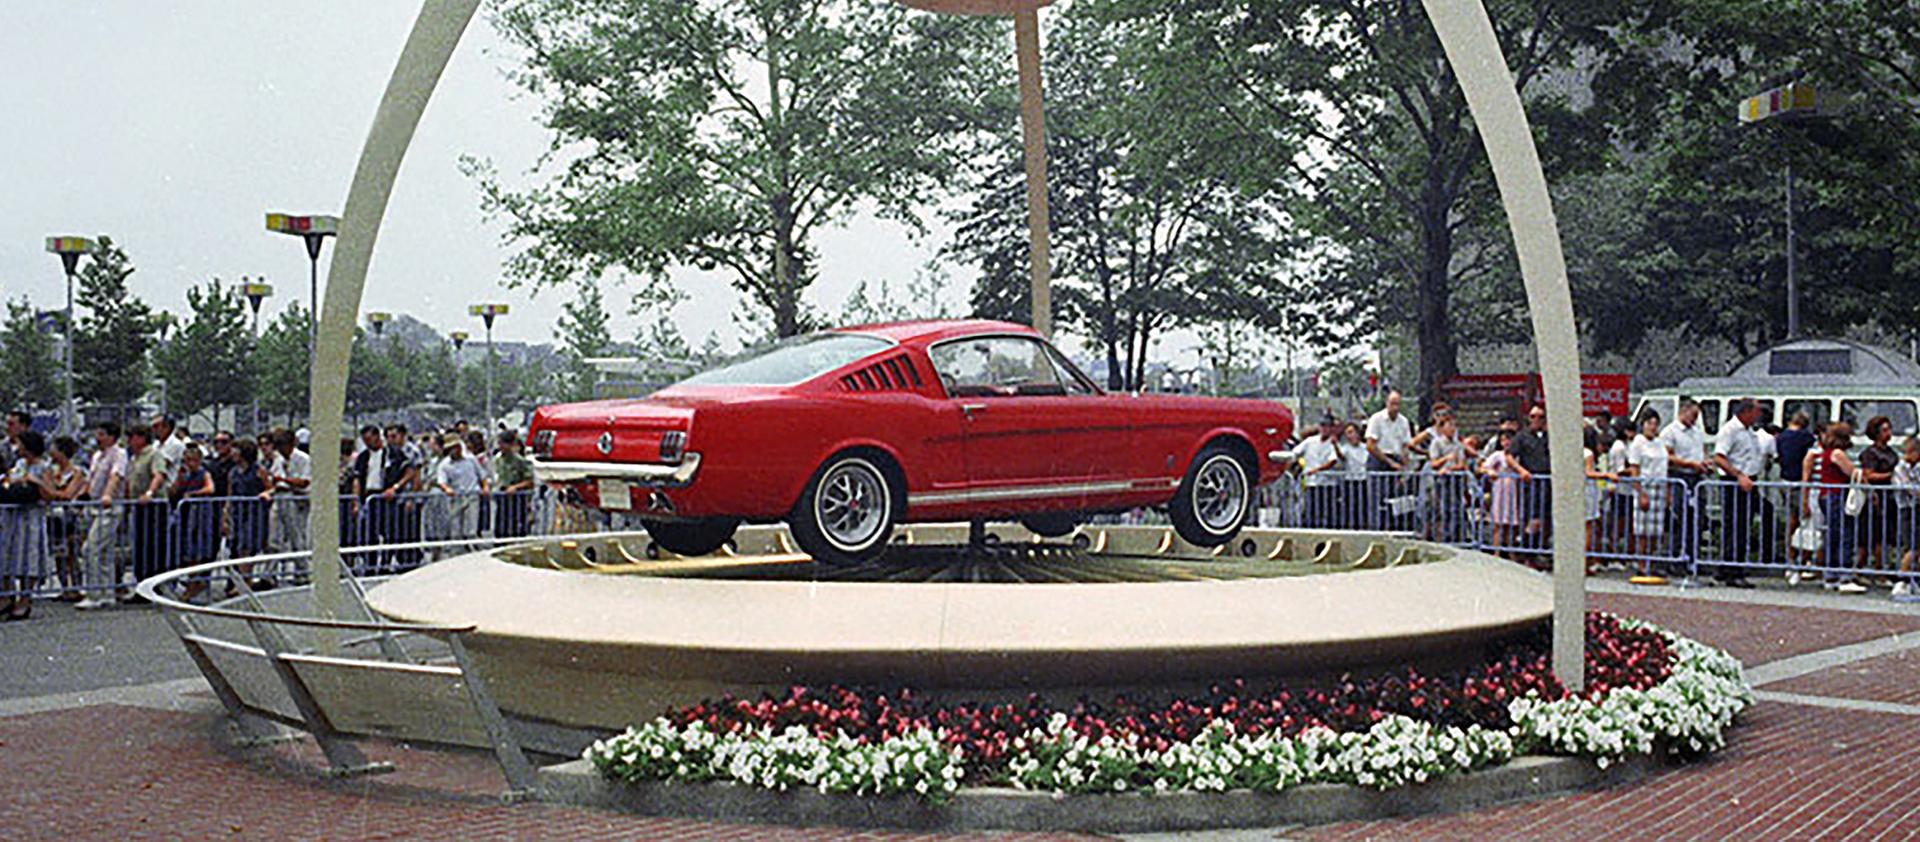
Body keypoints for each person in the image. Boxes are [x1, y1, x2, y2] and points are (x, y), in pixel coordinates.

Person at [1710, 398, 1765, 587]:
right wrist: (1738, 475)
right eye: (1756, 411)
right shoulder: (1730, 430)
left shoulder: (1749, 431)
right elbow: (1719, 457)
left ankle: (1728, 566)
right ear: (1746, 412)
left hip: (1749, 480)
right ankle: (1732, 569)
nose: (1758, 415)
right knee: (1735, 525)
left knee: (1743, 525)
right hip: (1734, 482)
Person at [0, 431, 53, 620]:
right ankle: (6, 596)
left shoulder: (44, 467)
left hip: (31, 518)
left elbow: (50, 494)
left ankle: (25, 599)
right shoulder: (19, 465)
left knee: (28, 557)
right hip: (12, 517)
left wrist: (35, 482)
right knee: (7, 556)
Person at [76, 422, 127, 611]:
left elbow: (116, 476)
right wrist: (82, 495)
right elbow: (91, 479)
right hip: (94, 506)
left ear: (112, 437)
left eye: (102, 434)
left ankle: (94, 593)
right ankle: (107, 593)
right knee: (104, 552)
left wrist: (108, 495)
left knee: (90, 548)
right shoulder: (96, 456)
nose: (98, 438)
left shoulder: (119, 454)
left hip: (109, 507)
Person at [1814, 421, 1865, 593]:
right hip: (1836, 495)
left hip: (1827, 495)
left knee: (1833, 534)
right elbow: (1852, 472)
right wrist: (1864, 477)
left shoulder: (1826, 453)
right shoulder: (1837, 453)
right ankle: (1844, 575)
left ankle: (1830, 574)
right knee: (1844, 534)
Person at [168, 444, 218, 600]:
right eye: (186, 460)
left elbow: (210, 489)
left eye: (192, 460)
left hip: (200, 516)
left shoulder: (204, 473)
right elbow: (174, 491)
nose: (189, 463)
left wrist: (194, 494)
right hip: (186, 515)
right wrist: (179, 479)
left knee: (196, 551)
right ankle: (190, 581)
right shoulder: (186, 475)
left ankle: (194, 583)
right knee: (185, 550)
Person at [124, 424, 167, 600]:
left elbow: (159, 475)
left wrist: (149, 493)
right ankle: (142, 585)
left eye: (132, 437)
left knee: (153, 546)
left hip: (154, 506)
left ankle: (154, 585)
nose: (129, 441)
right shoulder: (134, 458)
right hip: (138, 506)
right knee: (140, 546)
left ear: (141, 438)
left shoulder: (153, 454)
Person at [42, 436, 87, 601]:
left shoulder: (77, 472)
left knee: (72, 553)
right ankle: (64, 587)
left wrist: (51, 492)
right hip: (54, 517)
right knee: (59, 554)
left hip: (71, 517)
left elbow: (68, 494)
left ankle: (76, 587)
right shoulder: (50, 471)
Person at [1626, 409, 1672, 574]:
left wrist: (1667, 492)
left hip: (1660, 487)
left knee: (1656, 531)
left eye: (1655, 424)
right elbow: (1634, 469)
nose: (1652, 427)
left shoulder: (1659, 443)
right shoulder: (1638, 443)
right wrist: (1640, 492)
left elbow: (1664, 466)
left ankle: (1651, 561)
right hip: (1646, 487)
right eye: (1649, 424)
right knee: (1643, 530)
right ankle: (1641, 563)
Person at [1856, 415, 1900, 581]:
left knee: (1883, 536)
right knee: (1870, 536)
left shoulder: (1890, 452)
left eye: (1889, 429)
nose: (1888, 433)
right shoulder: (1870, 453)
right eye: (1884, 430)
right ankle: (1860, 570)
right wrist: (1890, 475)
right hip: (1874, 498)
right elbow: (1869, 475)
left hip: (1889, 498)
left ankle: (1880, 569)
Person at [1364, 391, 1414, 530]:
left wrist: (1404, 466)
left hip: (1395, 459)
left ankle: (1392, 527)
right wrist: (1389, 462)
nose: (1395, 408)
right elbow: (1370, 445)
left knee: (1394, 499)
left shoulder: (1403, 421)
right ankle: (1375, 528)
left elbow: (1405, 445)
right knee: (1376, 498)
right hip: (1379, 458)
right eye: (1393, 404)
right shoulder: (1377, 419)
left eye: (1398, 404)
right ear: (1387, 403)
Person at [1478, 430, 1529, 559]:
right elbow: (1482, 467)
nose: (1506, 443)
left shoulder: (1518, 456)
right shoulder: (1497, 455)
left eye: (1508, 440)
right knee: (1498, 522)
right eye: (1503, 440)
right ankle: (1497, 553)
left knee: (1511, 523)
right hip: (1500, 489)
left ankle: (1511, 552)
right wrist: (1490, 472)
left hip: (1514, 489)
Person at [1290, 417, 1344, 528]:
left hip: (1328, 484)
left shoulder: (1334, 444)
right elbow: (1295, 453)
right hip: (1311, 483)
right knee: (1311, 510)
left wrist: (1316, 470)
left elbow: (1333, 461)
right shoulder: (1310, 441)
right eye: (1322, 426)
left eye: (1327, 427)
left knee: (1327, 511)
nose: (1324, 429)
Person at [1512, 404, 1552, 552]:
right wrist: (1522, 471)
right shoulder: (1522, 436)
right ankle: (1526, 549)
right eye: (1533, 416)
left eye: (1540, 417)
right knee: (1534, 519)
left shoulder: (1548, 436)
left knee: (1546, 518)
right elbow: (1509, 455)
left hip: (1547, 482)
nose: (1537, 420)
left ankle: (1541, 549)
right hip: (1532, 482)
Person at [267, 427, 312, 556]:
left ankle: (301, 570)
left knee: (296, 536)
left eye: (283, 444)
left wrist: (285, 480)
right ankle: (271, 572)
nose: (281, 449)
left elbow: (304, 482)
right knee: (275, 537)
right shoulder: (278, 459)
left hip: (297, 500)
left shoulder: (303, 459)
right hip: (280, 498)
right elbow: (273, 478)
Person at [436, 433, 488, 545]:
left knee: (471, 528)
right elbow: (441, 481)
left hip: (472, 495)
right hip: (456, 498)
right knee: (456, 528)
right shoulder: (444, 465)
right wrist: (447, 489)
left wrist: (485, 487)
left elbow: (482, 475)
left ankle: (472, 549)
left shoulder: (471, 459)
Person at [492, 432, 536, 538]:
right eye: (499, 443)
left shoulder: (520, 461)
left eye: (503, 444)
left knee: (517, 527)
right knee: (501, 526)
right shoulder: (498, 460)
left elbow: (530, 481)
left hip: (517, 499)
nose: (501, 446)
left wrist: (515, 487)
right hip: (502, 497)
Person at [1892, 438, 1920, 598]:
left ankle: (1914, 580)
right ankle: (1901, 580)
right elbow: (1908, 488)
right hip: (1907, 509)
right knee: (1912, 546)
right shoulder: (1900, 468)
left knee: (1918, 547)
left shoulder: (1917, 467)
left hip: (1917, 508)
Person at [1338, 422, 1370, 530]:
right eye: (1347, 433)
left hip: (1363, 480)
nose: (1350, 436)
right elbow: (1341, 457)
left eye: (1352, 432)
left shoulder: (1366, 448)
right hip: (1350, 481)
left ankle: (1363, 526)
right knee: (1350, 506)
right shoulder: (1345, 448)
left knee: (1363, 506)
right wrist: (1335, 446)